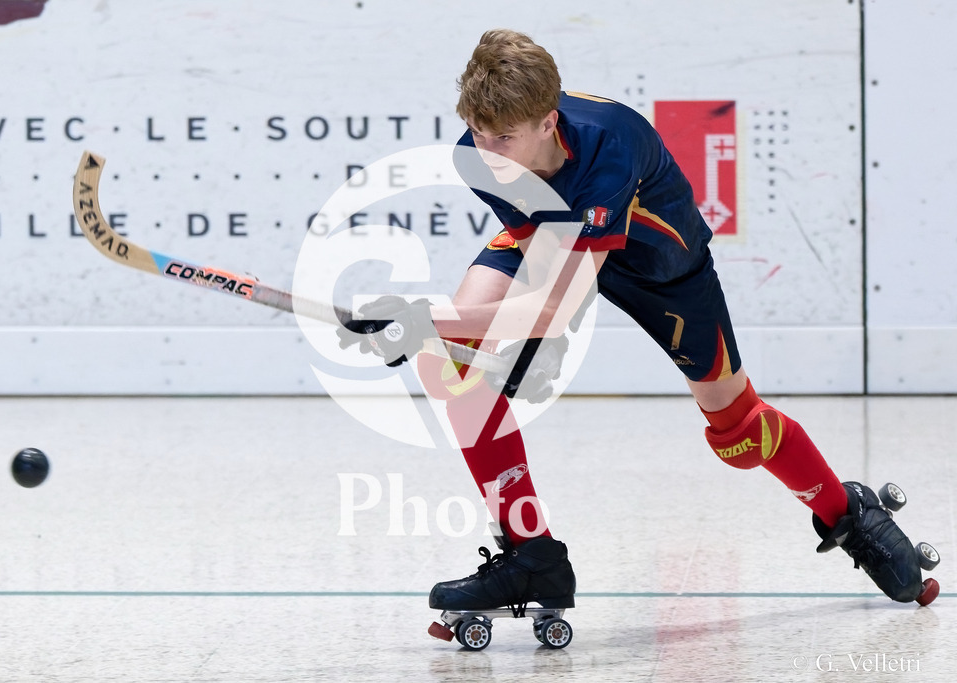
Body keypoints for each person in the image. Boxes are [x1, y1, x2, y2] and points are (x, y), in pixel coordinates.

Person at [340, 29, 938, 617]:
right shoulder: (477, 154)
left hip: (662, 270)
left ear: (549, 122)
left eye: (505, 137)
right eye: (477, 132)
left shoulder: (609, 146)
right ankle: (533, 556)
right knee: (460, 367)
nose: (487, 151)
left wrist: (430, 317)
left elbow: (555, 306)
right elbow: (540, 254)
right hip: (558, 240)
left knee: (739, 434)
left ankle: (847, 511)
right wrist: (460, 334)